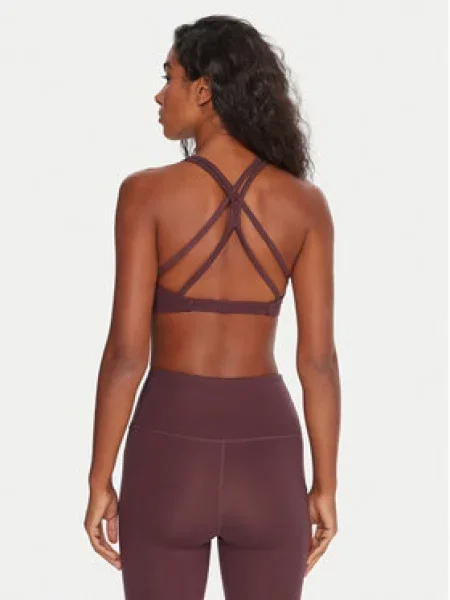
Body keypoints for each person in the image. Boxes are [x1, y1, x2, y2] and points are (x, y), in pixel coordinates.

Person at [84, 14, 340, 600]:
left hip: (169, 447)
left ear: (203, 91)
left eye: (168, 77)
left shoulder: (145, 194)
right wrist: (324, 485)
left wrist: (100, 478)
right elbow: (319, 362)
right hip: (269, 454)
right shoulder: (305, 205)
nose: (160, 94)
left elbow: (126, 355)